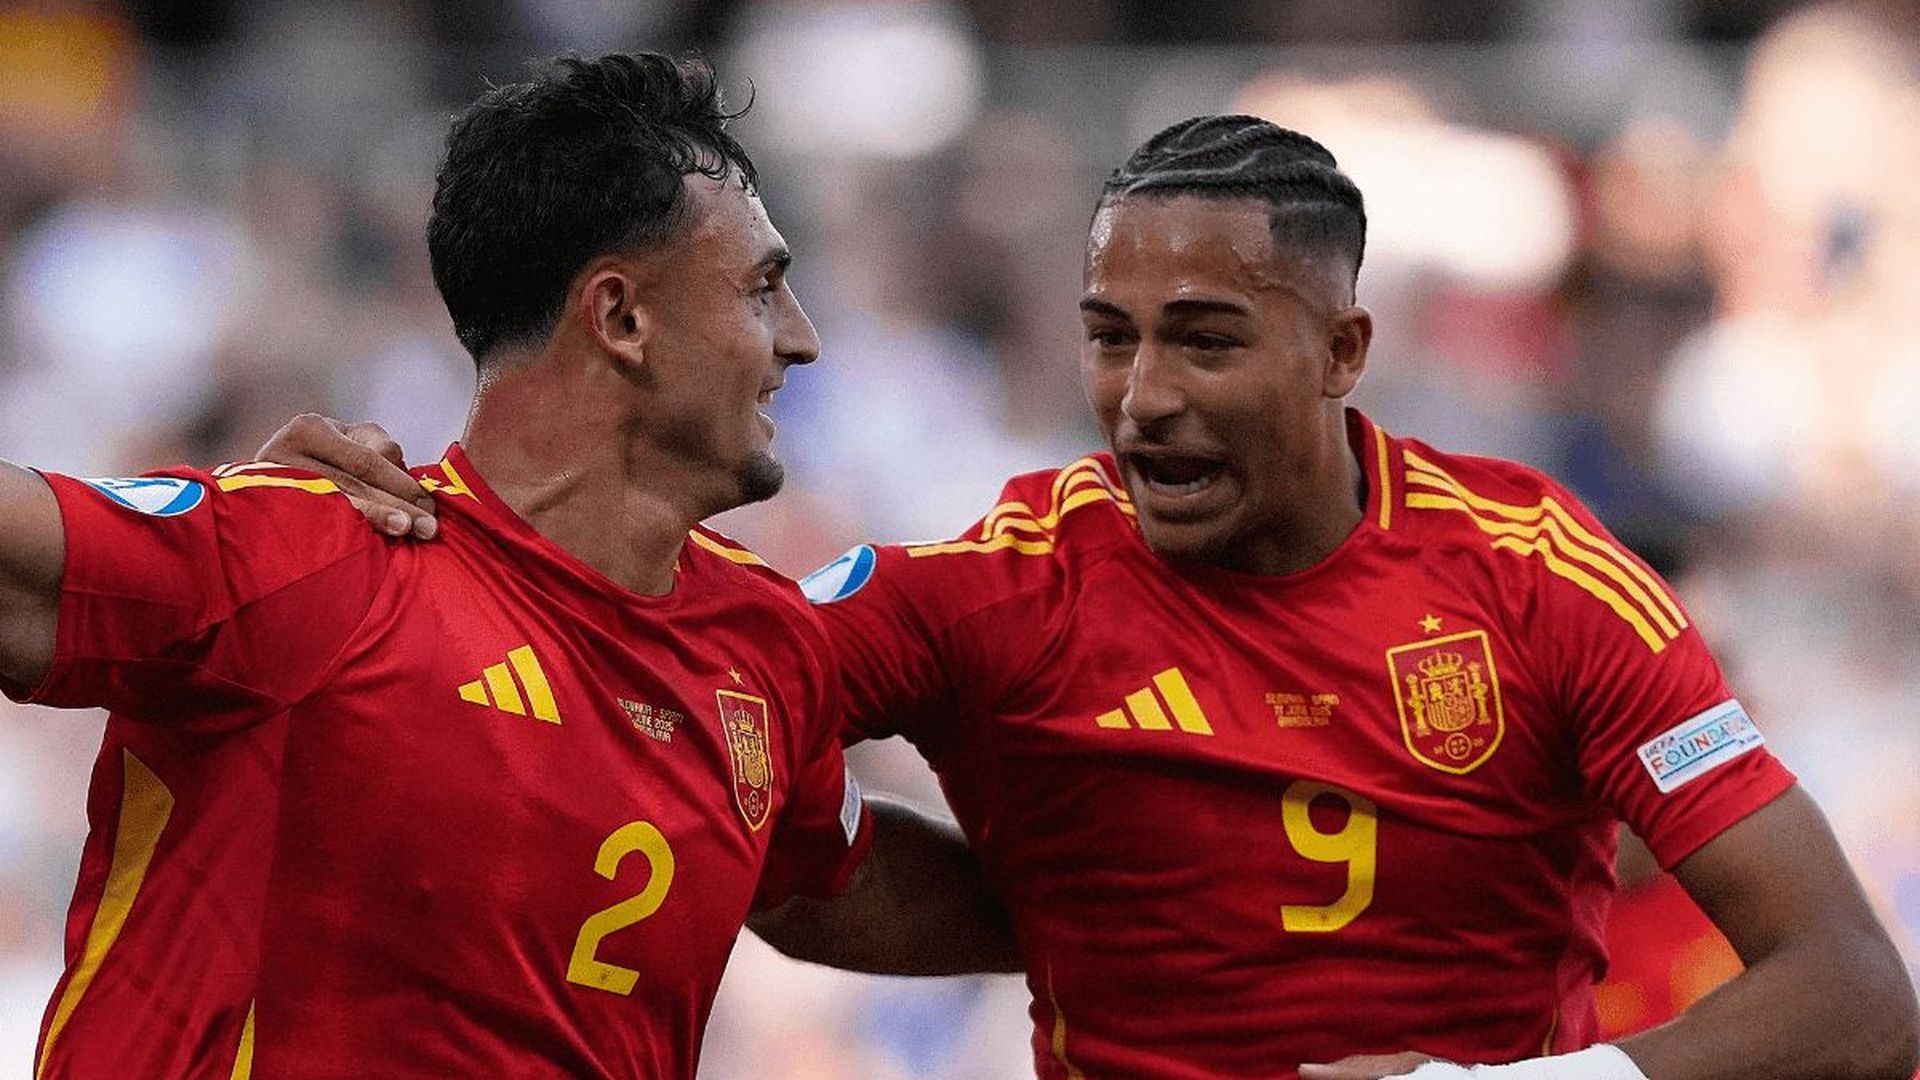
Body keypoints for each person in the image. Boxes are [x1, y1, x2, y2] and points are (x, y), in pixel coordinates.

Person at [270, 117, 1919, 1078]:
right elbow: (670, 697)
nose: (1140, 400)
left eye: (1206, 340)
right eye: (1110, 336)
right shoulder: (995, 589)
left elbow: (1856, 990)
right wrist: (398, 524)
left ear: (1345, 355)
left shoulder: (1539, 579)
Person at [0, 53, 1007, 1078]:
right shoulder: (319, 554)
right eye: (762, 290)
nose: (804, 341)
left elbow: (827, 889)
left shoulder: (763, 647)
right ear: (621, 318)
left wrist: (1138, 902)